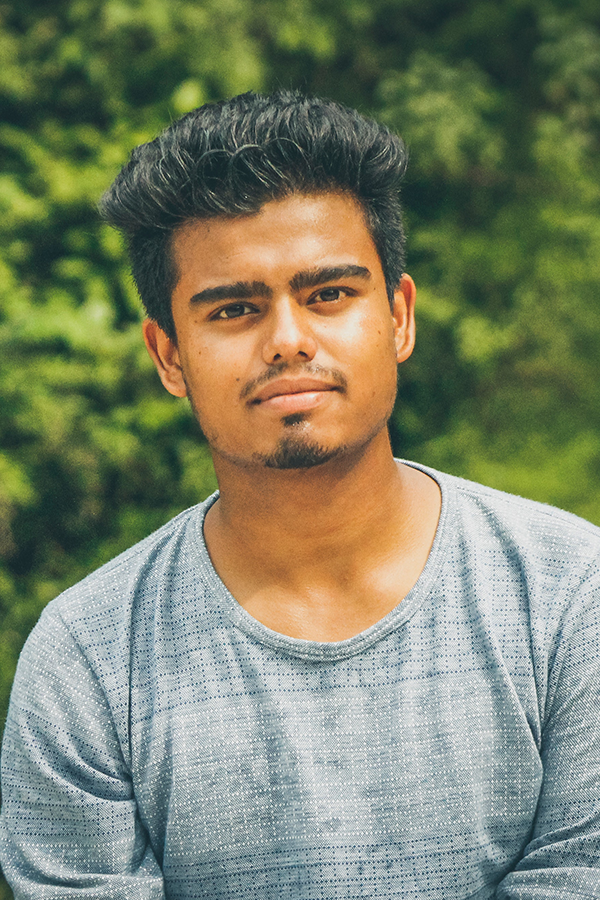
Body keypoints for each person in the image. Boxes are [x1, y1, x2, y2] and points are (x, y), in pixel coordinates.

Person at [1, 90, 600, 900]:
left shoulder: (570, 597)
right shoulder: (90, 660)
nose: (288, 340)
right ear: (169, 355)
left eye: (329, 295)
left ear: (399, 316)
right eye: (234, 309)